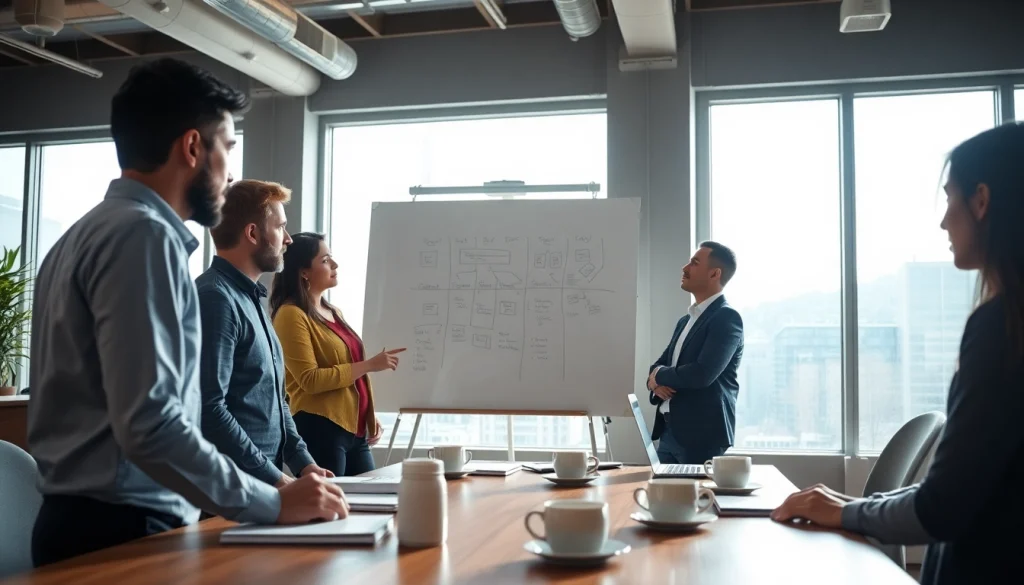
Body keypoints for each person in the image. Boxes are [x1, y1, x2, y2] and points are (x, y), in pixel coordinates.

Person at [26, 58, 346, 567]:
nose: (230, 173)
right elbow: (153, 424)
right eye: (228, 148)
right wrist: (273, 501)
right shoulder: (144, 237)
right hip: (124, 529)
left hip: (85, 522)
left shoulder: (79, 236)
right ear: (193, 147)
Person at [771, 123, 1024, 585]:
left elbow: (941, 508)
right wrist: (852, 506)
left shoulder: (1001, 328)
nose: (944, 221)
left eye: (950, 199)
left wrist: (846, 512)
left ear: (982, 201)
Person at [196, 179, 333, 488]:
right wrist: (278, 480)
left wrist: (305, 465)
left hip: (261, 484)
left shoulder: (252, 298)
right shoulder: (215, 299)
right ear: (253, 233)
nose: (288, 239)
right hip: (233, 490)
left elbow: (276, 400)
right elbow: (210, 408)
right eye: (281, 227)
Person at [270, 233, 404, 476]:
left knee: (367, 497)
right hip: (320, 428)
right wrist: (369, 365)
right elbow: (310, 380)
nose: (335, 265)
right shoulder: (291, 315)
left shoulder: (334, 312)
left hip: (354, 431)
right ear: (304, 272)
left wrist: (367, 416)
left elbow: (351, 374)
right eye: (325, 260)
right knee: (331, 500)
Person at [647, 241, 744, 465]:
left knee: (696, 491)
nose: (685, 268)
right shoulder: (686, 320)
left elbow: (702, 373)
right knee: (660, 489)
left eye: (694, 263)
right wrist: (655, 382)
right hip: (668, 431)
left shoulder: (726, 318)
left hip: (701, 436)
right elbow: (658, 365)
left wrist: (659, 375)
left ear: (714, 273)